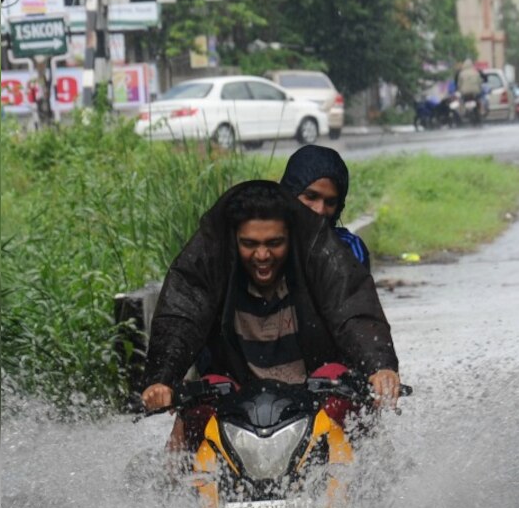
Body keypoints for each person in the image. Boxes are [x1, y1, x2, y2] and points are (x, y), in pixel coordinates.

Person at [140, 180, 402, 450]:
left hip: (315, 397)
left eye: (274, 243)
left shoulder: (320, 255)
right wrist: (161, 380)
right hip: (235, 403)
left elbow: (352, 307)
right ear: (233, 241)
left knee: (348, 400)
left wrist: (379, 366)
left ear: (291, 237)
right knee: (192, 417)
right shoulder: (212, 262)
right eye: (249, 244)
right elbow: (182, 313)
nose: (262, 255)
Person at [279, 144, 370, 269]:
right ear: (289, 195)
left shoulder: (349, 249)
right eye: (311, 196)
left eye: (330, 202)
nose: (320, 210)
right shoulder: (264, 243)